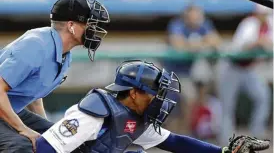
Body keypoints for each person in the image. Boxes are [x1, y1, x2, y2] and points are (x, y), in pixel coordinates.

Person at [36, 60, 270, 153]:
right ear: (135, 93)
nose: (160, 100)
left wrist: (222, 152)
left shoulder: (136, 116)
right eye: (154, 94)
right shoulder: (95, 113)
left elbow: (175, 142)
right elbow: (45, 147)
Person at [0, 0, 110, 152]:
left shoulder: (65, 53)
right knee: (21, 146)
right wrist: (23, 129)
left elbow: (34, 95)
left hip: (10, 109)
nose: (94, 30)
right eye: (89, 24)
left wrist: (49, 134)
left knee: (64, 140)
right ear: (71, 25)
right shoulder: (36, 45)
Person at [217, 4, 272, 145]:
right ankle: (226, 141)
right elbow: (241, 47)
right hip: (231, 66)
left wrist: (265, 43)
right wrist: (258, 42)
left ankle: (256, 135)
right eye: (261, 13)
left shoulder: (270, 23)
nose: (263, 16)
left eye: (266, 13)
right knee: (228, 106)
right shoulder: (248, 23)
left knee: (262, 97)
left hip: (249, 69)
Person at [166, 4, 222, 134]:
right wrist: (200, 43)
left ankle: (193, 131)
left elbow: (216, 41)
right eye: (192, 17)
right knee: (189, 98)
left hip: (193, 71)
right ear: (186, 17)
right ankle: (186, 133)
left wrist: (194, 44)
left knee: (203, 95)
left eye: (198, 17)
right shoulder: (177, 24)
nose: (195, 20)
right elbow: (177, 44)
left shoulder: (204, 23)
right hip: (176, 72)